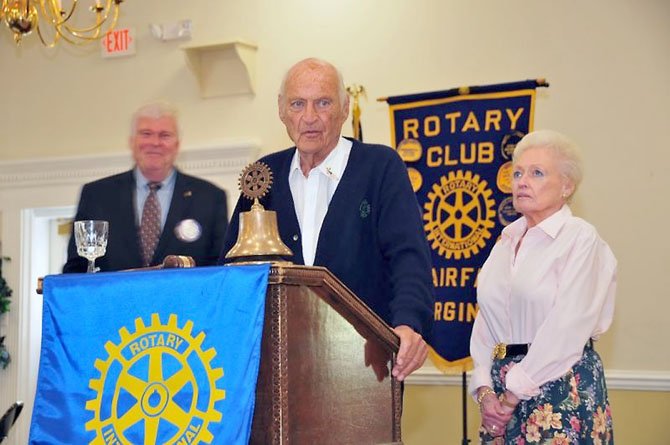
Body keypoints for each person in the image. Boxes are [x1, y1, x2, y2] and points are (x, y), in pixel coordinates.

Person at [220, 58, 434, 381]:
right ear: (281, 110)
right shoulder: (263, 177)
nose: (309, 117)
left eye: (323, 103)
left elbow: (409, 258)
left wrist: (407, 324)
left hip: (363, 370)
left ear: (345, 108)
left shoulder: (380, 167)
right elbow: (230, 270)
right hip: (274, 370)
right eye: (297, 104)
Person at [469, 130, 616, 444]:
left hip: (560, 387)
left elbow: (567, 326)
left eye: (537, 173)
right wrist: (484, 391)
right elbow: (486, 321)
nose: (522, 181)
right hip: (500, 396)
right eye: (517, 173)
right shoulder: (505, 241)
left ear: (566, 185)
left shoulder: (579, 238)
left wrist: (511, 396)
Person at [63, 101, 228, 273]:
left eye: (164, 135)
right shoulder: (97, 196)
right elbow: (77, 268)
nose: (155, 142)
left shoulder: (210, 198)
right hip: (113, 299)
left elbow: (220, 269)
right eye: (146, 133)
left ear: (177, 145)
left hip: (185, 300)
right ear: (132, 142)